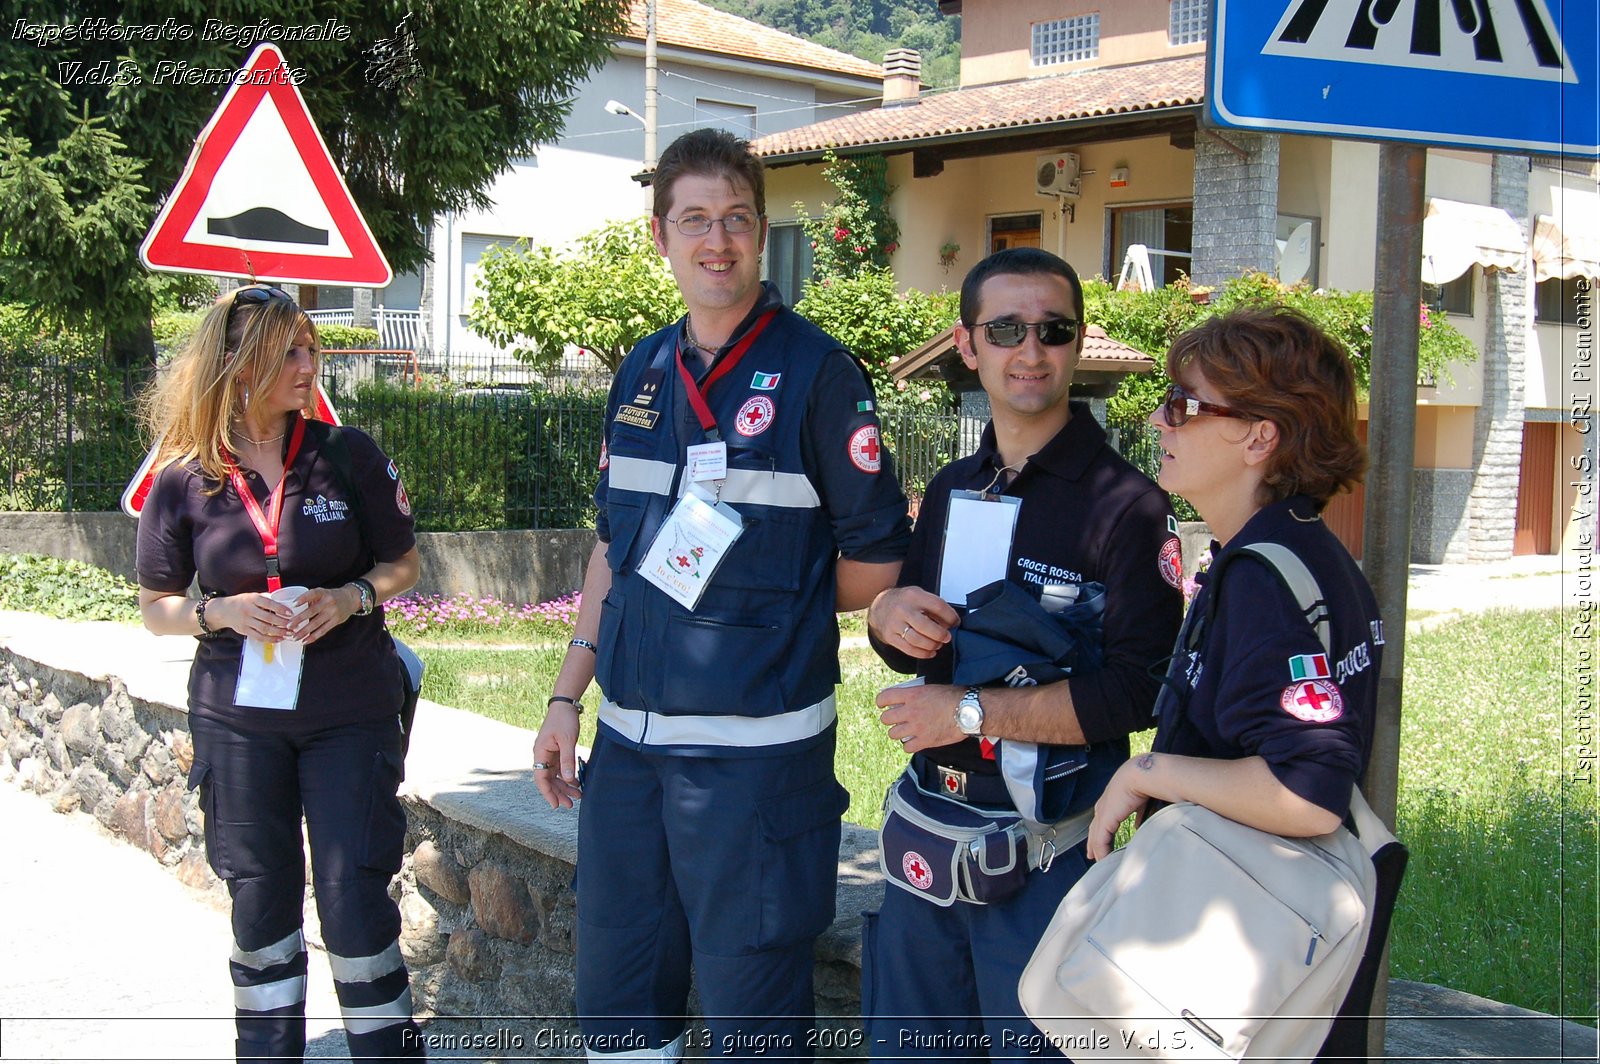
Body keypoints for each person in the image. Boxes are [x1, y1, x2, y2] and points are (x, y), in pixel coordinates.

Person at [530, 127, 911, 1060]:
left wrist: (768, 611)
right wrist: (564, 697)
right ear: (660, 236)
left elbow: (876, 565)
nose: (718, 240)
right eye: (695, 219)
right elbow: (613, 553)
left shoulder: (820, 376)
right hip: (629, 762)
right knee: (619, 1018)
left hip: (755, 773)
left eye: (737, 219)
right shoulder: (643, 370)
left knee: (755, 1032)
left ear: (763, 231)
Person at [862, 247, 1185, 1058]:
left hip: (1052, 862)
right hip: (931, 845)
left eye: (1052, 329)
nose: (1030, 350)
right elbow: (918, 653)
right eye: (1005, 329)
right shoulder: (951, 488)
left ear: (1078, 344)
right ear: (969, 346)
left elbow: (1139, 694)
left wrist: (968, 711)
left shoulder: (1127, 506)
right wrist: (883, 613)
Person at [1086, 307, 1387, 1058]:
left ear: (1261, 437)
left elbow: (1307, 792)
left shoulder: (1263, 578)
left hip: (1238, 968)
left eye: (1185, 405)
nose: (1159, 419)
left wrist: (1146, 770)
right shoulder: (1307, 552)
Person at [135, 284, 424, 1063]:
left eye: (309, 348)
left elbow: (403, 562)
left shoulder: (346, 454)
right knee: (260, 905)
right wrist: (218, 614)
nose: (309, 365)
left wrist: (352, 595)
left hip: (348, 711)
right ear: (239, 365)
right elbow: (157, 605)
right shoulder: (185, 478)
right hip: (237, 722)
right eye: (288, 352)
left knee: (353, 900)